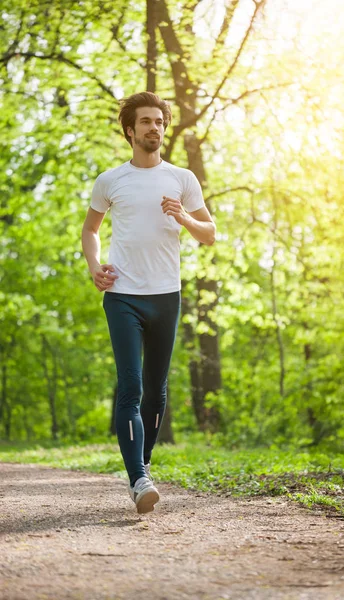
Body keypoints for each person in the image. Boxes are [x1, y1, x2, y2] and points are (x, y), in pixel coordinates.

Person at [81, 92, 216, 514]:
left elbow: (209, 233)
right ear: (130, 130)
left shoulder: (182, 178)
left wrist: (184, 218)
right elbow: (90, 230)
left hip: (166, 296)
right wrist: (93, 266)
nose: (154, 127)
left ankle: (142, 465)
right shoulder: (111, 180)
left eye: (159, 121)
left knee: (156, 393)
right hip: (122, 294)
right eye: (145, 121)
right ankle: (138, 478)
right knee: (132, 386)